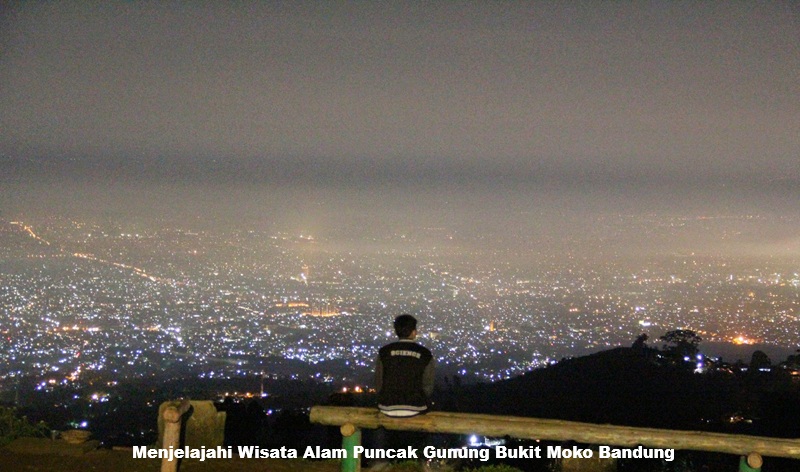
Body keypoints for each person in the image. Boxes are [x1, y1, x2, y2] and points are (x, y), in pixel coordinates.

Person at [375, 314, 435, 417]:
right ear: (414, 332)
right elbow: (428, 385)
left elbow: (379, 382)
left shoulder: (384, 352)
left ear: (396, 331)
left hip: (387, 407)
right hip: (416, 407)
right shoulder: (425, 354)